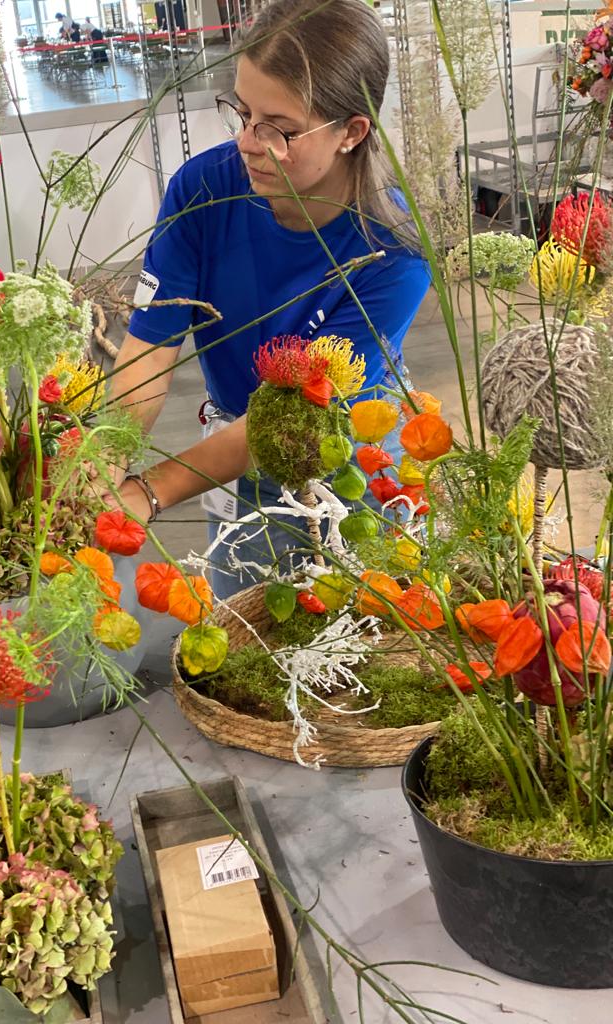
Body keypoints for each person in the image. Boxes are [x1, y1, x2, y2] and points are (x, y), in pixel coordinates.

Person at [106, 0, 430, 599]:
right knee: (244, 625)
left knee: (370, 626)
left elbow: (292, 418)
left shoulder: (393, 250)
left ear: (351, 132)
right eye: (243, 112)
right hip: (235, 455)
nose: (247, 143)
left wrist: (151, 489)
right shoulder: (204, 189)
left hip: (355, 470)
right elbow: (149, 352)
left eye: (278, 128)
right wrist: (101, 468)